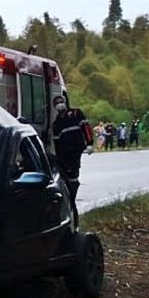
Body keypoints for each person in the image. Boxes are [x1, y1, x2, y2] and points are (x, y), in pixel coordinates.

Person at [51, 94, 92, 222]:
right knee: (66, 173)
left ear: (64, 102)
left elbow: (86, 127)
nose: (59, 104)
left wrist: (90, 143)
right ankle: (70, 191)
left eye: (60, 102)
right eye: (57, 103)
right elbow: (57, 142)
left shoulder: (75, 113)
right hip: (65, 153)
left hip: (76, 149)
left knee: (73, 172)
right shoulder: (57, 123)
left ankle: (73, 190)